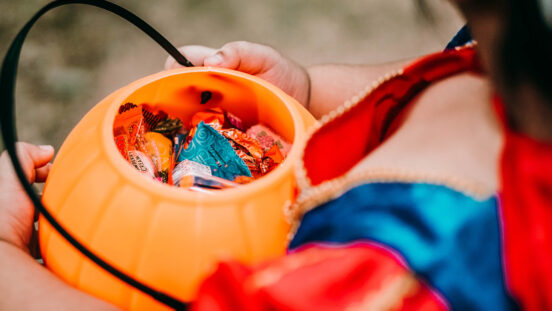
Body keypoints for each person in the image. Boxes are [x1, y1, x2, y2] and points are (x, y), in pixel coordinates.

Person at [1, 0, 552, 310]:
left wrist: (5, 263)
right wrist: (309, 90)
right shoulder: (516, 66)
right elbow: (435, 79)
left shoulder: (391, 283)